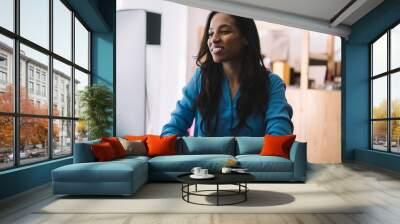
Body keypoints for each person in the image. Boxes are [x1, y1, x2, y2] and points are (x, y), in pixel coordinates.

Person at [161, 11, 293, 137]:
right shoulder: (201, 78)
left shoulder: (271, 84)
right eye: (210, 34)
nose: (214, 39)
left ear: (245, 38)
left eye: (224, 31)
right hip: (204, 161)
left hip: (252, 161)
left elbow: (279, 135)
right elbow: (173, 128)